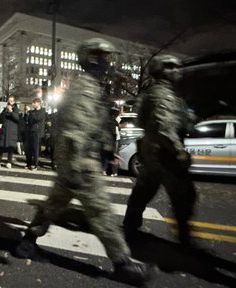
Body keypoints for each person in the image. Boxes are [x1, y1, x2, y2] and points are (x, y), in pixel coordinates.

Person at [15, 38, 157, 285]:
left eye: (106, 57)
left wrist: (105, 149)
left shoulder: (93, 87)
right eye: (99, 56)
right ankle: (123, 264)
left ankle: (27, 244)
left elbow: (94, 125)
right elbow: (73, 131)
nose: (105, 61)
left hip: (76, 162)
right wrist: (75, 167)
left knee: (52, 206)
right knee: (102, 214)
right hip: (81, 163)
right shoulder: (85, 87)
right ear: (88, 58)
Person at [123, 54, 196, 246]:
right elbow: (164, 128)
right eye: (170, 66)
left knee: (143, 191)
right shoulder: (163, 94)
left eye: (177, 66)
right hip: (163, 153)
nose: (176, 70)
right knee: (183, 195)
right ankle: (184, 238)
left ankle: (130, 225)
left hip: (153, 152)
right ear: (159, 70)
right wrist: (179, 151)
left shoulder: (162, 93)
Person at [0, 95, 19, 168]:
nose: (9, 102)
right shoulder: (5, 109)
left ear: (13, 102)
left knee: (11, 147)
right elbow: (0, 119)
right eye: (8, 101)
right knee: (1, 146)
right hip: (4, 130)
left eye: (11, 101)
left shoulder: (16, 109)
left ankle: (9, 161)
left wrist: (11, 112)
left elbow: (17, 118)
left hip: (12, 131)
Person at [25, 98, 46, 170]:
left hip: (37, 132)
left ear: (38, 103)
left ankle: (35, 164)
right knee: (29, 148)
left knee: (35, 149)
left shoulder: (42, 111)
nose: (33, 104)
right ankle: (29, 163)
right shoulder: (32, 111)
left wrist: (30, 112)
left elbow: (37, 119)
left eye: (34, 103)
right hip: (30, 131)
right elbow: (29, 120)